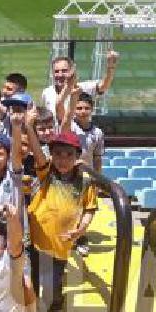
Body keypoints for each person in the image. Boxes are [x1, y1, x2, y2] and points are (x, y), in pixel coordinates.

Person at [24, 131, 98, 312]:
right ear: (51, 156)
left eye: (68, 154)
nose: (63, 160)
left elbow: (90, 208)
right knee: (34, 278)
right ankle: (34, 311)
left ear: (77, 156)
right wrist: (29, 127)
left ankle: (56, 307)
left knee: (54, 282)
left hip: (62, 242)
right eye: (58, 154)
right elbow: (38, 154)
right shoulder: (46, 174)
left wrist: (81, 229)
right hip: (36, 240)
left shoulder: (85, 181)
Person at [55, 88, 105, 258]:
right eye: (79, 108)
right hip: (69, 173)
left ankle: (81, 238)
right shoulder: (71, 128)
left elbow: (97, 157)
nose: (83, 112)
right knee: (69, 207)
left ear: (92, 110)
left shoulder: (97, 133)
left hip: (87, 176)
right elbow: (65, 121)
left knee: (86, 209)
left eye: (86, 108)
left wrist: (98, 178)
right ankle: (65, 235)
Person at [40, 51, 119, 125]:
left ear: (72, 71)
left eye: (64, 71)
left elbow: (104, 86)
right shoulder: (47, 92)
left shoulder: (84, 88)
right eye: (56, 71)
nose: (60, 75)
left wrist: (110, 67)